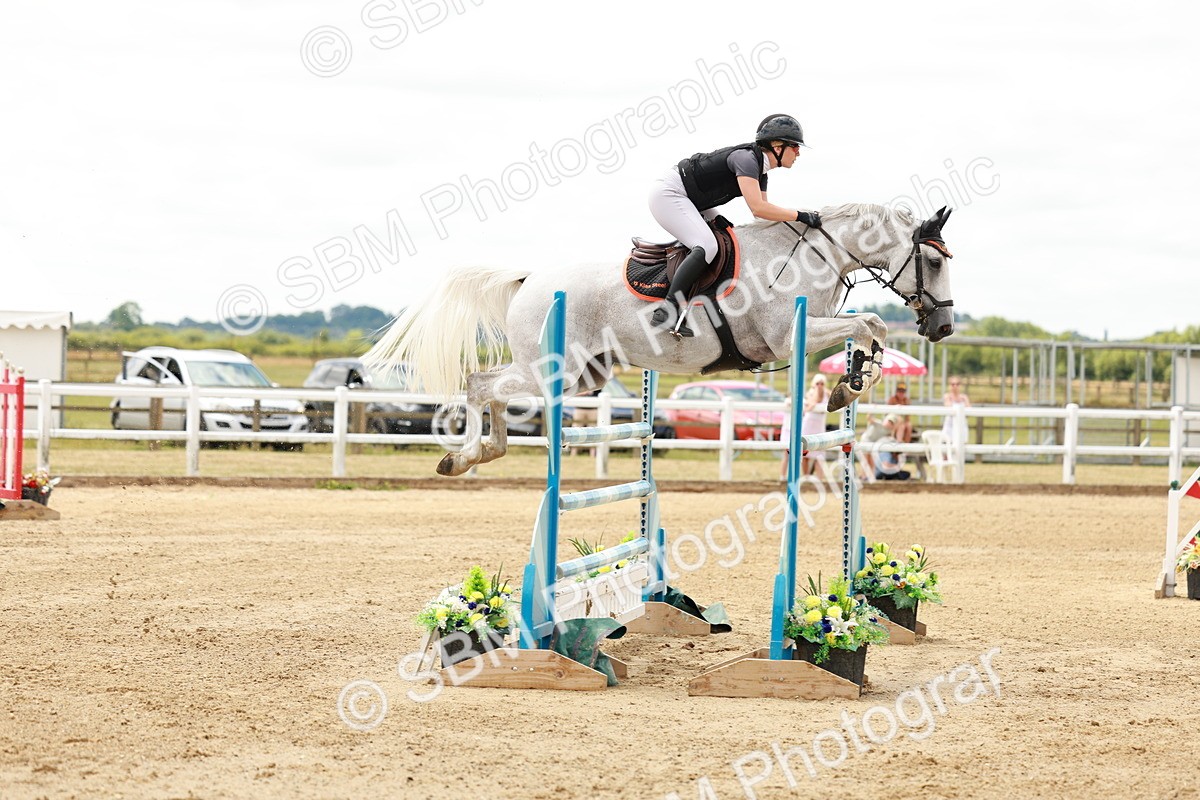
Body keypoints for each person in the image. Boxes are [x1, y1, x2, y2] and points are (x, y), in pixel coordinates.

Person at [647, 114, 822, 337]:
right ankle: (667, 310)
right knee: (708, 246)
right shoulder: (746, 159)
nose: (798, 153)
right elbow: (758, 208)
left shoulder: (761, 171)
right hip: (670, 193)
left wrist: (799, 224)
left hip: (693, 198)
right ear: (777, 147)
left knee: (728, 235)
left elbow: (764, 216)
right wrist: (800, 215)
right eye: (795, 147)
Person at [860, 414, 910, 481]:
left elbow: (900, 423)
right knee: (865, 460)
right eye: (888, 421)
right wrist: (870, 413)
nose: (889, 423)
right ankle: (863, 476)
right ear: (885, 420)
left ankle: (870, 477)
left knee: (872, 461)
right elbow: (869, 418)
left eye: (891, 423)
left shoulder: (889, 430)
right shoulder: (878, 423)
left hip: (873, 444)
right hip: (866, 441)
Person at [799, 375, 829, 477]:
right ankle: (806, 476)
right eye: (817, 383)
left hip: (819, 424)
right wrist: (817, 391)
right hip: (809, 423)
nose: (819, 385)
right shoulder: (810, 393)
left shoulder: (827, 393)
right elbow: (813, 402)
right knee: (805, 451)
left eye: (822, 383)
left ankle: (820, 478)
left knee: (819, 454)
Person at [941, 377, 972, 445]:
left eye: (957, 384)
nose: (955, 386)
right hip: (949, 426)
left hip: (962, 426)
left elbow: (969, 412)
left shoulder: (964, 397)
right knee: (947, 446)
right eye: (953, 384)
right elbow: (949, 407)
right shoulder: (947, 396)